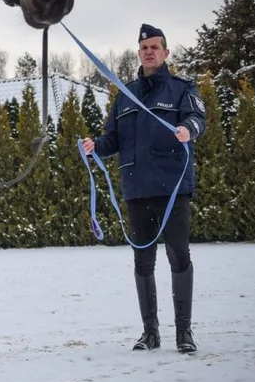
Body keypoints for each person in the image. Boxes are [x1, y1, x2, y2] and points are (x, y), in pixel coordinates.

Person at [80, 23, 206, 354]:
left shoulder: (182, 88)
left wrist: (187, 130)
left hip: (173, 187)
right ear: (139, 53)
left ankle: (184, 332)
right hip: (137, 189)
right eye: (144, 47)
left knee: (179, 257)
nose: (149, 51)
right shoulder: (126, 92)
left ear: (165, 53)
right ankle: (150, 333)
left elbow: (197, 119)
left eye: (155, 46)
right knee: (142, 262)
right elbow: (114, 139)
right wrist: (96, 145)